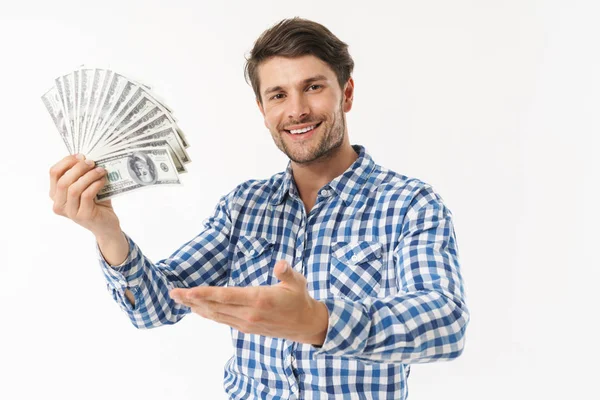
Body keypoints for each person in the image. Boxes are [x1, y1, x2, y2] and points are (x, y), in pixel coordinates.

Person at [49, 17, 470, 400]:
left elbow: (445, 324)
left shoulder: (410, 204)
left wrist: (319, 322)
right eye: (278, 94)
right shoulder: (244, 208)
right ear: (263, 111)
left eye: (313, 87)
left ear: (347, 92)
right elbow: (156, 306)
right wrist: (107, 231)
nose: (297, 110)